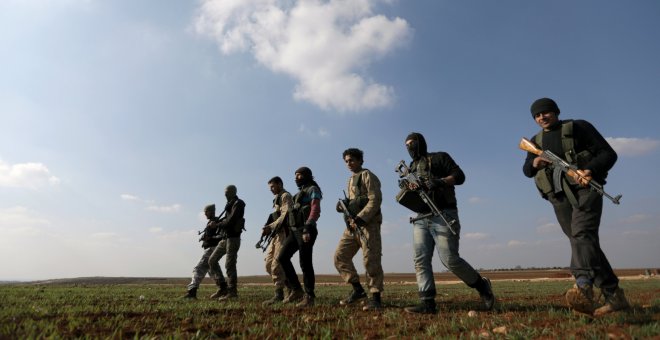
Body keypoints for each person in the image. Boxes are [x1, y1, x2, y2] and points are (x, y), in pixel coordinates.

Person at [522, 97, 630, 316]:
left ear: (557, 112)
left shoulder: (578, 127)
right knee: (583, 242)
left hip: (586, 189)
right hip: (558, 196)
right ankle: (615, 297)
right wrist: (535, 162)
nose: (542, 117)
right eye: (537, 115)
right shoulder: (536, 140)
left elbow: (609, 154)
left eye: (546, 112)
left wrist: (589, 170)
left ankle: (582, 286)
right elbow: (526, 170)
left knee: (582, 234)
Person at [401, 132, 495, 314]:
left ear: (421, 143)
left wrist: (440, 181)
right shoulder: (412, 166)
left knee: (450, 259)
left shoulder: (439, 157)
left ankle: (482, 287)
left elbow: (459, 176)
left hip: (443, 213)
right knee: (420, 259)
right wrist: (408, 187)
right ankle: (427, 303)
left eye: (413, 144)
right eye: (406, 145)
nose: (410, 148)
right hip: (421, 217)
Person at [334, 148, 385, 311]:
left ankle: (376, 298)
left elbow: (375, 199)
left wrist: (361, 217)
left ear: (360, 161)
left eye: (352, 160)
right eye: (346, 161)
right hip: (352, 226)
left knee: (371, 259)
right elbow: (354, 201)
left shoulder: (367, 175)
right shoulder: (350, 180)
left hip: (368, 224)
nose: (349, 163)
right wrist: (344, 206)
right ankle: (358, 291)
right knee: (340, 257)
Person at [277, 167, 322, 307]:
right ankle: (296, 290)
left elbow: (315, 209)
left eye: (300, 175)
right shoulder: (298, 194)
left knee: (305, 262)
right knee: (282, 257)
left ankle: (309, 296)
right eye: (295, 175)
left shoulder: (313, 189)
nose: (296, 178)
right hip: (295, 231)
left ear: (307, 176)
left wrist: (308, 227)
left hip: (306, 229)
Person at [208, 185, 245, 301]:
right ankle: (222, 287)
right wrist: (217, 222)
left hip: (233, 238)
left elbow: (231, 221)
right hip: (225, 238)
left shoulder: (239, 203)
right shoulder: (229, 205)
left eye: (228, 192)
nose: (225, 194)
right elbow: (226, 219)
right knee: (212, 261)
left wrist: (217, 224)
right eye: (225, 192)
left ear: (234, 192)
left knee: (229, 265)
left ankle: (232, 292)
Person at [261, 176, 293, 306]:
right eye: (270, 188)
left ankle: (279, 294)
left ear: (280, 184)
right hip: (276, 235)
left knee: (276, 264)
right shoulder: (277, 199)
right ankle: (291, 287)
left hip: (284, 233)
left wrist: (270, 226)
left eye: (273, 186)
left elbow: (286, 215)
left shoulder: (286, 196)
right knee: (268, 264)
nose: (271, 190)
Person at [182, 204, 224, 299]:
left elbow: (221, 236)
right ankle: (223, 288)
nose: (205, 214)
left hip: (212, 248)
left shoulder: (217, 222)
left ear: (211, 212)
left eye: (206, 212)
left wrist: (210, 238)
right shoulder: (212, 222)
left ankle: (192, 292)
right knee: (212, 269)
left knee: (198, 268)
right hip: (211, 248)